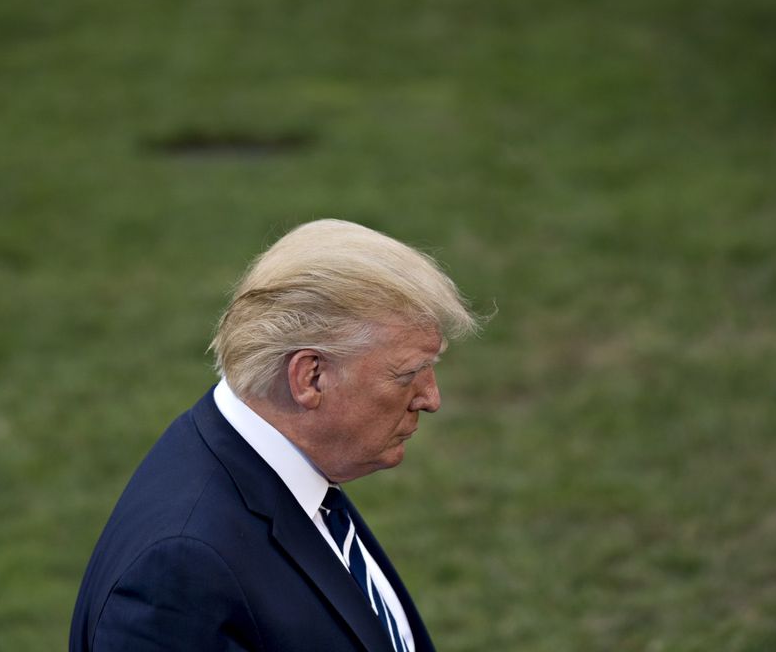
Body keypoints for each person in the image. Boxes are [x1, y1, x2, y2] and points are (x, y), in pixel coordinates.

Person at [69, 219, 481, 651]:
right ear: (311, 377)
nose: (431, 398)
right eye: (408, 374)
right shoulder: (180, 570)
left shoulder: (281, 474)